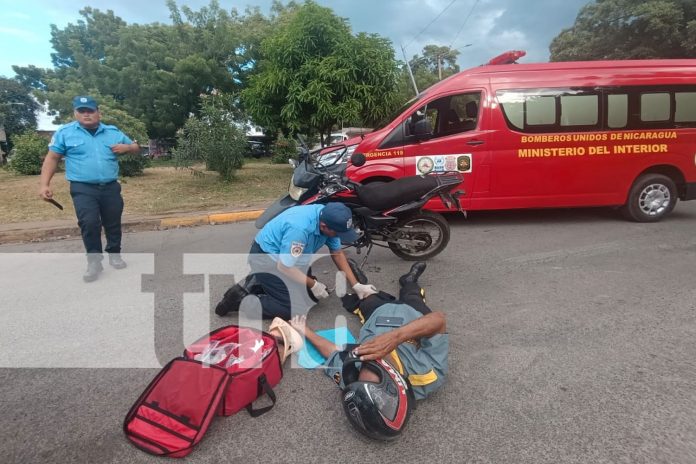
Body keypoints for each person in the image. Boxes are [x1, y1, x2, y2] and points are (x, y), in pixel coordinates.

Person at [289, 262, 448, 440]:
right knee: (412, 293)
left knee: (366, 296)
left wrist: (305, 330)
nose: (364, 355)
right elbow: (439, 320)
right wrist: (395, 337)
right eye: (374, 363)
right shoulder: (428, 375)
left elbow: (333, 353)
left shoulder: (353, 380)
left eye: (363, 362)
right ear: (394, 380)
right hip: (414, 315)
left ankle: (360, 279)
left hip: (377, 316)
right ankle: (409, 279)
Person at [215, 202, 378, 320]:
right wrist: (313, 284)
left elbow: (337, 253)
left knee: (310, 298)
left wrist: (356, 285)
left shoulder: (330, 218)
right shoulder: (300, 229)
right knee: (291, 309)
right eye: (337, 234)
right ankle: (240, 300)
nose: (340, 237)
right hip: (267, 259)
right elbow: (285, 267)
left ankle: (258, 283)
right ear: (324, 226)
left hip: (292, 259)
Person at [38, 96, 140, 282]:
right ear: (75, 113)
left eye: (90, 110)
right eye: (81, 111)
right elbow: (52, 158)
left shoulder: (112, 131)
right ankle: (94, 262)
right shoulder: (65, 132)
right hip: (83, 188)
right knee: (90, 223)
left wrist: (127, 147)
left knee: (113, 222)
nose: (86, 114)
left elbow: (136, 147)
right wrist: (45, 184)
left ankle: (114, 253)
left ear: (98, 113)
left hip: (110, 187)